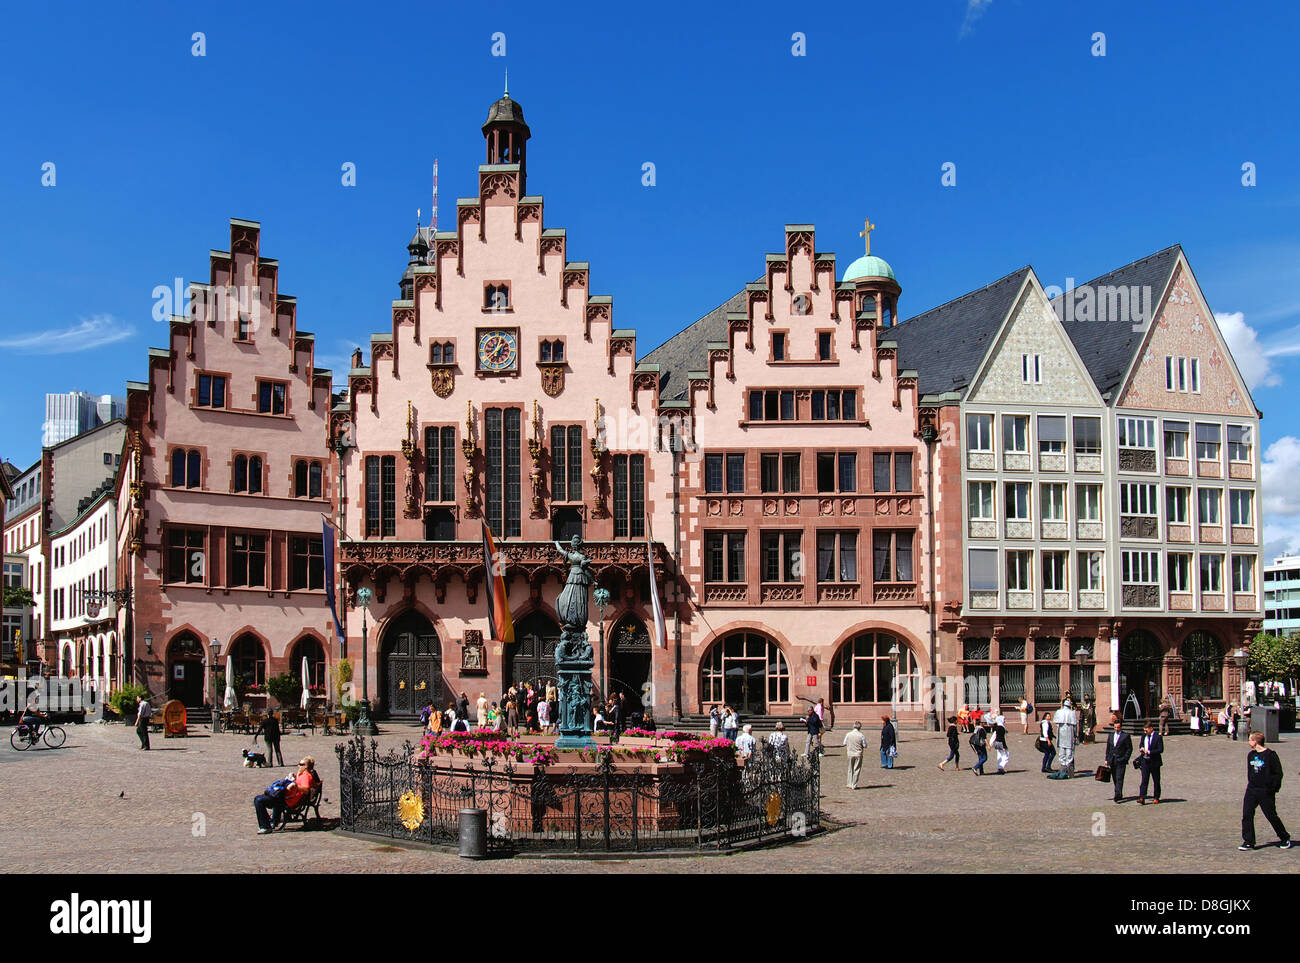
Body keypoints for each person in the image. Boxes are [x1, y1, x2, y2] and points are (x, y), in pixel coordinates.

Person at [1240, 731, 1291, 851]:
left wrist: (1272, 788)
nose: (1248, 742)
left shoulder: (1270, 755)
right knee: (1247, 815)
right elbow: (1250, 772)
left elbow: (1278, 773)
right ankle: (1249, 841)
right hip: (1252, 789)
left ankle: (1284, 837)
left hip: (1265, 791)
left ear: (1255, 741)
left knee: (1271, 815)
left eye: (1250, 739)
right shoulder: (1251, 755)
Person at [254, 756, 321, 835]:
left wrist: (294, 785)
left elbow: (306, 790)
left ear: (306, 766)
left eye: (300, 764)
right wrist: (296, 777)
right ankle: (273, 821)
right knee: (271, 795)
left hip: (288, 801)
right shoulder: (304, 775)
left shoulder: (306, 776)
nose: (298, 766)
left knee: (258, 800)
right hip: (288, 799)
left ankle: (265, 826)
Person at [1104, 715, 1132, 803]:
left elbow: (1129, 748)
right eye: (1115, 727)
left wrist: (1125, 758)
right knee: (1115, 778)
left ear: (1121, 727)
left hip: (1121, 760)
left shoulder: (1125, 736)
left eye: (1118, 727)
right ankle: (1119, 792)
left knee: (1120, 777)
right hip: (1112, 759)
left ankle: (1117, 795)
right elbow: (1108, 748)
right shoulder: (1111, 735)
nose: (1116, 729)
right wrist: (1107, 759)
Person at [1137, 721, 1164, 804]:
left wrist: (1150, 752)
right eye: (1144, 730)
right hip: (1145, 761)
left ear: (1151, 729)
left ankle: (1156, 797)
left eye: (1146, 730)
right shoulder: (1144, 736)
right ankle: (1142, 797)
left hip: (1154, 761)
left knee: (1156, 780)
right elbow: (1141, 744)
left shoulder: (1157, 737)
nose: (1145, 732)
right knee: (1144, 780)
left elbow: (1160, 749)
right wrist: (1141, 748)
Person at [844, 721, 868, 788]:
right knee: (856, 769)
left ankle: (849, 783)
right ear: (860, 727)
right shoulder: (861, 735)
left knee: (850, 768)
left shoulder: (848, 734)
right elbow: (865, 745)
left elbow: (844, 743)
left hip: (850, 753)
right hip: (858, 753)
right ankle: (854, 784)